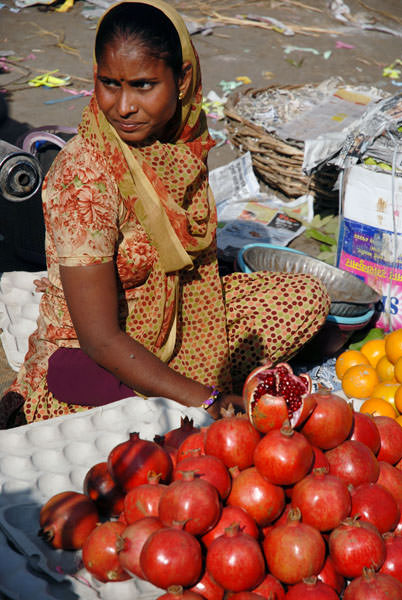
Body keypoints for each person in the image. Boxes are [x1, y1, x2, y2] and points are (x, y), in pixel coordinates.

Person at [0, 0, 330, 428]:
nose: (123, 106)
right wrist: (206, 396)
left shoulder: (182, 141)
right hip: (100, 353)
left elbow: (196, 268)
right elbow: (100, 341)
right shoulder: (86, 178)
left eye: (142, 85)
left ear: (182, 80)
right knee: (142, 407)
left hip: (184, 315)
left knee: (304, 299)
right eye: (109, 83)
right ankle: (184, 389)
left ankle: (189, 382)